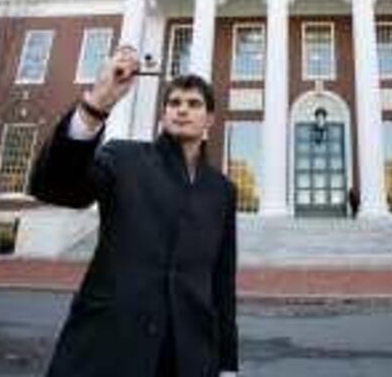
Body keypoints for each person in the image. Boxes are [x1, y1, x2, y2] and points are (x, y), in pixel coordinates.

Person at [28, 45, 238, 377]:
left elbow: (222, 283)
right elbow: (57, 187)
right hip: (108, 349)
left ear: (209, 118)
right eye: (174, 103)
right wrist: (96, 105)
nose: (182, 110)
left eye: (194, 104)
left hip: (187, 356)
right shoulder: (124, 159)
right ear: (163, 114)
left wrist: (227, 365)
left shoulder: (222, 190)